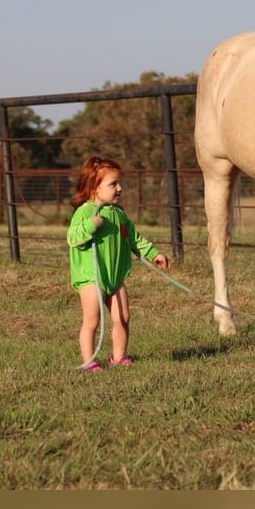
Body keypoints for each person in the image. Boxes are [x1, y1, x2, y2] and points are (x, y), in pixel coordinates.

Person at [67, 156, 171, 372]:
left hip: (115, 276)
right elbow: (73, 238)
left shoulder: (119, 213)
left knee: (123, 317)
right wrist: (89, 226)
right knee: (92, 320)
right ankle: (89, 361)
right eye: (113, 184)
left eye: (119, 183)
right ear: (94, 187)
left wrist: (154, 254)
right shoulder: (85, 212)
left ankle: (119, 357)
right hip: (91, 276)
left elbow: (134, 238)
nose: (119, 188)